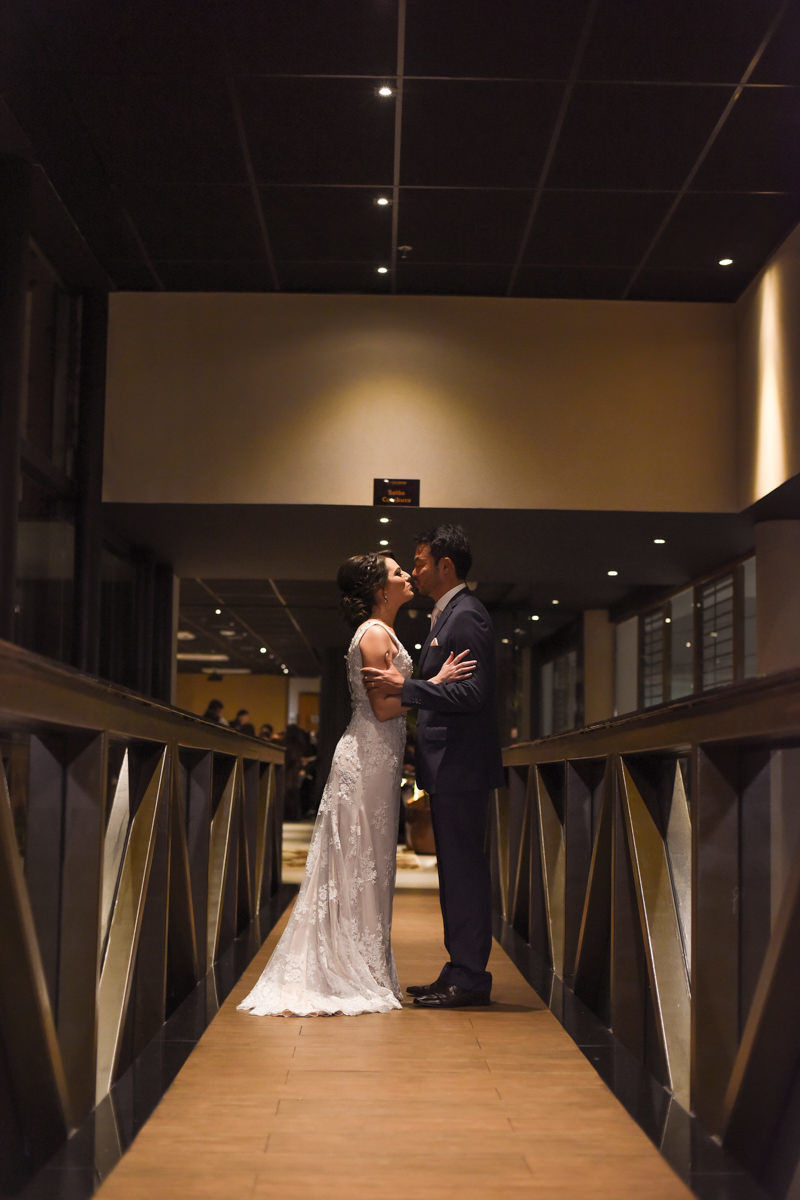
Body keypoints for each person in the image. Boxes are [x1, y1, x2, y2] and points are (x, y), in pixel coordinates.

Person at [237, 552, 474, 1017]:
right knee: (359, 859)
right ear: (380, 590)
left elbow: (390, 700)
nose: (407, 574)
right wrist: (437, 681)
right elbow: (384, 708)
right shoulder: (373, 634)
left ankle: (365, 961)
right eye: (397, 573)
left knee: (370, 861)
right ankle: (348, 967)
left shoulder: (382, 632)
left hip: (378, 761)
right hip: (365, 761)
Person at [362, 524, 504, 1009]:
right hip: (452, 767)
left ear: (446, 566)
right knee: (457, 873)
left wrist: (409, 688)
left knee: (464, 873)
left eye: (419, 561)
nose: (415, 570)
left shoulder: (467, 617)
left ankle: (469, 976)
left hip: (462, 766)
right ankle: (458, 968)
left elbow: (471, 693)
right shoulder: (451, 614)